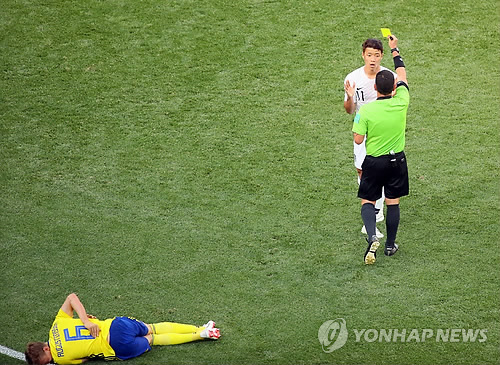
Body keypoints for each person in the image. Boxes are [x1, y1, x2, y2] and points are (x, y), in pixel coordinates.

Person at [25, 293, 220, 364]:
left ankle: (201, 335)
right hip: (117, 326)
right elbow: (71, 297)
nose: (49, 363)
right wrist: (85, 321)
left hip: (117, 347)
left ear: (45, 349)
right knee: (153, 327)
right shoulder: (56, 325)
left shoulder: (60, 360)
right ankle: (200, 328)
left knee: (155, 340)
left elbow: (84, 359)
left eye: (46, 362)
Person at [351, 34, 409, 264]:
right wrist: (394, 50)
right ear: (394, 88)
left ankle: (372, 234)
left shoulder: (366, 112)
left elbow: (357, 140)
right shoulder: (402, 101)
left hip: (374, 161)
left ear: (375, 88)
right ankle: (389, 246)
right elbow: (403, 74)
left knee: (368, 200)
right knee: (392, 201)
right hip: (397, 161)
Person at [344, 38, 397, 239]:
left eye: (376, 55)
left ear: (381, 56)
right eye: (369, 55)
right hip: (362, 129)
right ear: (363, 55)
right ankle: (375, 209)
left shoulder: (388, 77)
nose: (372, 59)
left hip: (382, 132)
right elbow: (350, 111)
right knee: (361, 170)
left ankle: (375, 213)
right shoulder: (352, 78)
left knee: (381, 171)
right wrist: (350, 97)